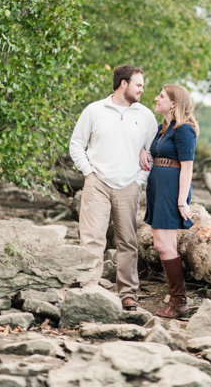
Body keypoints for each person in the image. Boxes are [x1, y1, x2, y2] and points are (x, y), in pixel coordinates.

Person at [69, 65, 158, 311]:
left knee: (127, 241)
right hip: (97, 183)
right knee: (91, 238)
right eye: (138, 84)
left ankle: (128, 294)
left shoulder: (146, 115)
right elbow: (76, 144)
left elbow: (153, 151)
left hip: (129, 184)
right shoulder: (94, 110)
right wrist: (89, 172)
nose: (142, 89)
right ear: (123, 84)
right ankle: (89, 287)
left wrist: (140, 179)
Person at [140, 84, 198, 319]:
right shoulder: (163, 128)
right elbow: (154, 152)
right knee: (166, 245)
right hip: (158, 187)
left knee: (162, 245)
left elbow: (187, 167)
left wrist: (182, 201)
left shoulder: (184, 130)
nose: (156, 98)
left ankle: (179, 301)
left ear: (174, 103)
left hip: (171, 190)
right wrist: (144, 152)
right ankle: (177, 302)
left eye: (161, 96)